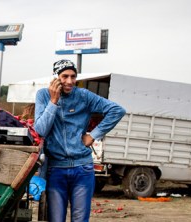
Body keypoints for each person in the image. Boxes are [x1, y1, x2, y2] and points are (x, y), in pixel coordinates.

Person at [33, 59, 126, 222]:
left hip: (82, 169)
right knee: (55, 219)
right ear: (55, 77)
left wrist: (93, 135)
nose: (70, 81)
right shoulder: (43, 95)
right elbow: (40, 130)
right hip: (56, 169)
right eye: (64, 76)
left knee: (80, 219)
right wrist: (53, 102)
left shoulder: (84, 96)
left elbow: (117, 110)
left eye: (73, 76)